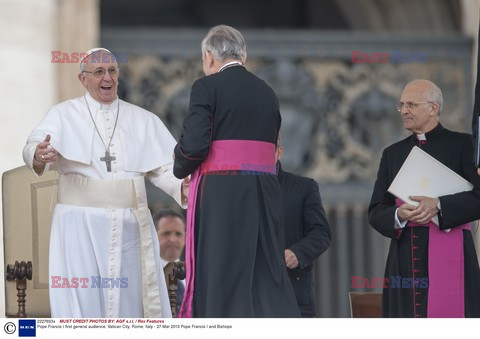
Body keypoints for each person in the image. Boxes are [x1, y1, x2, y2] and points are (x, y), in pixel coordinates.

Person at [23, 48, 187, 318]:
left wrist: (181, 186)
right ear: (83, 79)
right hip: (78, 227)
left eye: (112, 71)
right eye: (99, 72)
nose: (107, 77)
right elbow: (33, 145)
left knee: (129, 304)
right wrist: (39, 154)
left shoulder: (143, 120)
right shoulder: (63, 114)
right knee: (82, 301)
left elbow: (166, 168)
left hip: (129, 228)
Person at [173, 25, 300, 317]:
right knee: (262, 269)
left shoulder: (206, 87)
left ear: (208, 56)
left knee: (220, 268)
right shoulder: (268, 92)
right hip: (264, 190)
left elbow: (194, 146)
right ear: (244, 55)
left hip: (222, 190)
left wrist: (180, 164)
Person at [368, 79, 480, 318]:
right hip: (404, 259)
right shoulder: (392, 154)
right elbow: (376, 210)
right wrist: (398, 214)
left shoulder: (464, 145)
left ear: (433, 108)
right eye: (401, 105)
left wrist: (438, 205)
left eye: (412, 104)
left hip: (453, 254)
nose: (405, 111)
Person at [275, 142, 331, 317]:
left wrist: (297, 253)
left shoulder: (303, 187)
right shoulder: (242, 190)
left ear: (279, 151)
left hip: (292, 295)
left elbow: (321, 233)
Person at [154, 210, 186, 314]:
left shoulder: (197, 275)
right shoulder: (144, 276)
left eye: (178, 234)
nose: (172, 239)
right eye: (166, 233)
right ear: (153, 236)